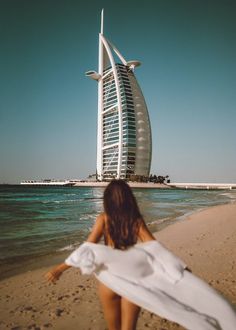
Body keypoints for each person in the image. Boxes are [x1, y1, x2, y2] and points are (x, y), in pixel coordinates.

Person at [45, 179, 155, 330]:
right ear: (129, 198)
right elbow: (154, 247)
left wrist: (60, 269)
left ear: (107, 199)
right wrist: (179, 268)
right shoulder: (136, 220)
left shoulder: (103, 218)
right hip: (132, 278)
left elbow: (87, 248)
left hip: (110, 279)